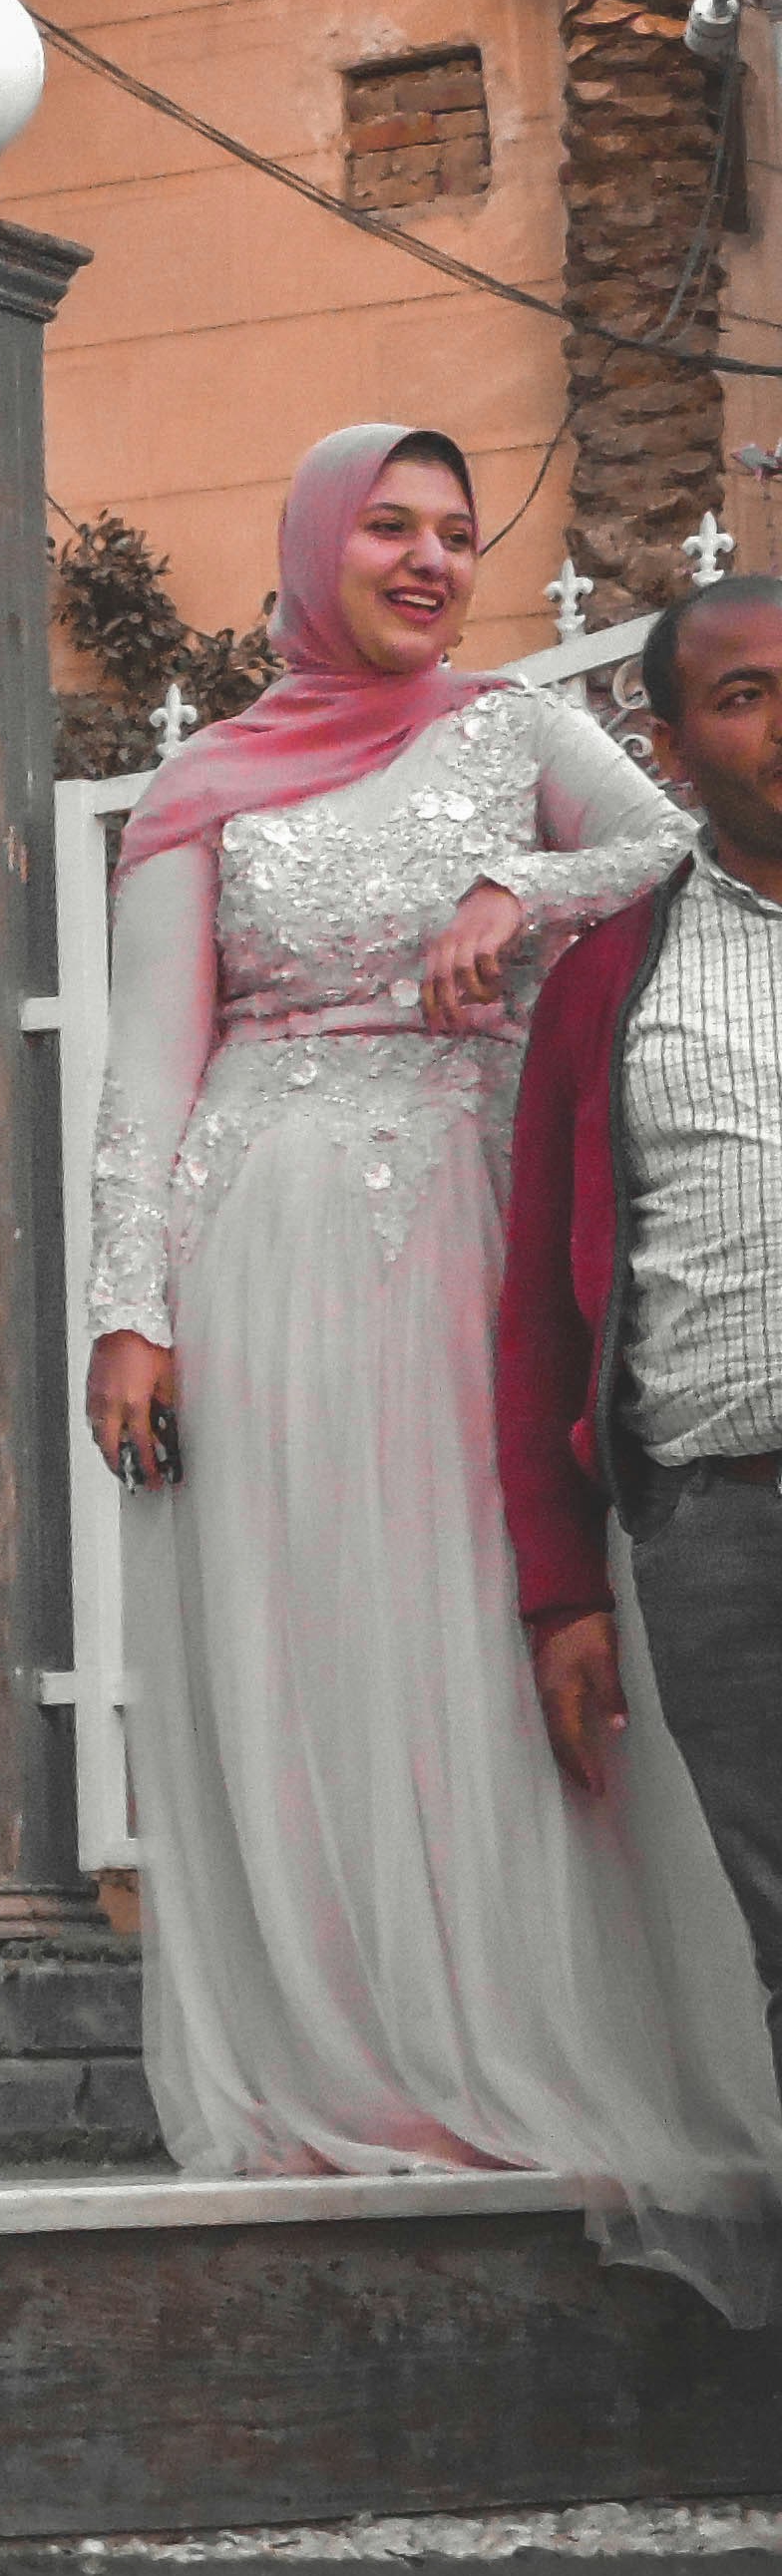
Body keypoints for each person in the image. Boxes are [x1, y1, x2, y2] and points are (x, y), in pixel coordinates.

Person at [84, 428, 782, 2324]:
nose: (425, 558)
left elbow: (658, 840)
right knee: (310, 1638)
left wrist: (511, 894)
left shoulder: (506, 734)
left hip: (475, 1229)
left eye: (456, 533)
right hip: (271, 1252)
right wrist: (125, 1308)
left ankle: (510, 2041)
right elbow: (144, 1070)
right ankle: (340, 2067)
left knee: (486, 1630)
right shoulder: (201, 787)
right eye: (386, 526)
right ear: (311, 544)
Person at [500, 570, 782, 2128]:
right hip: (731, 1529)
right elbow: (543, 1306)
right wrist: (560, 1588)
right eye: (741, 696)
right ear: (670, 746)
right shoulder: (611, 980)